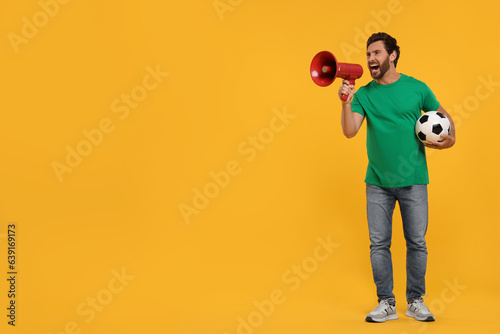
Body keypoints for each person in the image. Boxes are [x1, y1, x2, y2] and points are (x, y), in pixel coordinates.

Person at [338, 32, 455, 323]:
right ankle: (386, 303)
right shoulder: (363, 94)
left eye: (376, 53)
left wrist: (449, 140)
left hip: (414, 179)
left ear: (392, 55)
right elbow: (350, 130)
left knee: (416, 242)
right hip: (377, 182)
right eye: (367, 54)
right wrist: (344, 102)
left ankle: (415, 301)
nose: (370, 59)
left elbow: (444, 118)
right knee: (379, 244)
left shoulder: (417, 88)